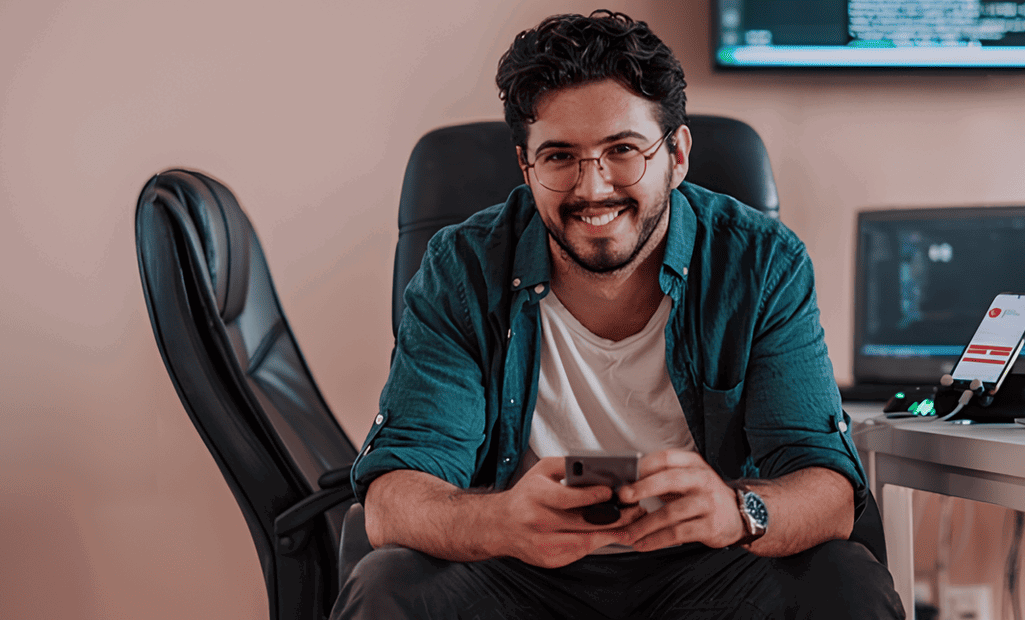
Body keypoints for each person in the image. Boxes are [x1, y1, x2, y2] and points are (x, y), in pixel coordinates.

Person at [332, 10, 904, 620]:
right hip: (519, 570)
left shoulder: (761, 262)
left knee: (846, 581)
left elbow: (829, 490)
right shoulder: (461, 269)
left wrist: (737, 511)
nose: (593, 187)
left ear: (676, 155)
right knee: (387, 584)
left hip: (711, 571)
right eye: (559, 157)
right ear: (526, 168)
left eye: (622, 150)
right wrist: (500, 521)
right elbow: (394, 501)